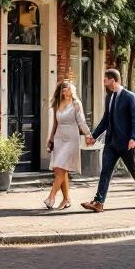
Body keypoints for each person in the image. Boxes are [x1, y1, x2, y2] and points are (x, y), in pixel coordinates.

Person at [81, 69, 135, 213]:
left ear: (112, 80)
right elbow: (105, 120)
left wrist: (133, 138)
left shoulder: (129, 96)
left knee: (134, 170)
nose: (104, 82)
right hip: (111, 143)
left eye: (105, 79)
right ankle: (98, 202)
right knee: (105, 171)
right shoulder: (109, 97)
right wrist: (94, 136)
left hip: (126, 143)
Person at [43, 80, 92, 211]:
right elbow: (55, 123)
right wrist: (50, 138)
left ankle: (51, 197)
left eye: (68, 90)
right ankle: (66, 199)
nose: (66, 92)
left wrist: (88, 135)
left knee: (61, 167)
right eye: (63, 90)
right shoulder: (57, 104)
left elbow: (81, 121)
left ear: (72, 90)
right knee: (59, 169)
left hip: (72, 138)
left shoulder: (76, 104)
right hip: (59, 137)